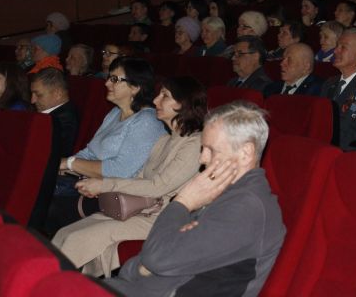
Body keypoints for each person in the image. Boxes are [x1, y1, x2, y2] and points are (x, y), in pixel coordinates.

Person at [106, 102, 285, 297]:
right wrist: (143, 266)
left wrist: (182, 202)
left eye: (211, 149)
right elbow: (150, 258)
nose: (202, 159)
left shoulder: (246, 208)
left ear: (245, 153)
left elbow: (157, 257)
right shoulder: (223, 192)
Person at [52, 76, 206, 277]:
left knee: (77, 240)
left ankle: (51, 284)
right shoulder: (165, 140)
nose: (156, 100)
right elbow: (140, 178)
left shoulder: (194, 143)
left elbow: (158, 186)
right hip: (140, 210)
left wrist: (104, 185)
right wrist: (100, 186)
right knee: (65, 233)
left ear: (184, 103)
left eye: (165, 96)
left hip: (162, 219)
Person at [45, 57, 165, 234]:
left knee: (47, 204)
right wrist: (64, 166)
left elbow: (121, 171)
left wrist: (70, 163)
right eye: (109, 77)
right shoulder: (114, 113)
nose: (107, 83)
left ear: (135, 87)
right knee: (38, 185)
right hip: (89, 185)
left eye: (115, 79)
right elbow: (90, 152)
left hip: (113, 195)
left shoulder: (146, 121)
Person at [28, 68, 79, 231]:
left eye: (38, 95)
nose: (32, 100)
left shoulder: (64, 119)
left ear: (57, 94)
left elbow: (53, 155)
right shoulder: (48, 116)